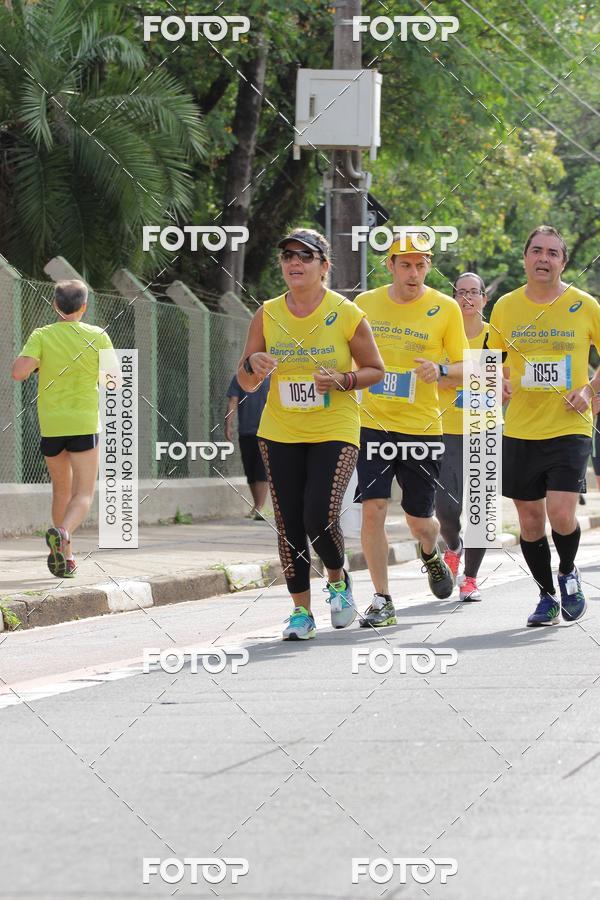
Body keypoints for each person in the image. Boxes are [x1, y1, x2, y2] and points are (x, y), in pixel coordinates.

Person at [237, 228, 384, 640]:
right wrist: (253, 365)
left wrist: (343, 379)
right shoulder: (267, 313)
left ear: (324, 266)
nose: (295, 262)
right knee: (288, 523)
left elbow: (375, 370)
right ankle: (301, 613)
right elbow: (245, 380)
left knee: (318, 514)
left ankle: (337, 578)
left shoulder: (346, 312)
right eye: (288, 256)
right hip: (280, 428)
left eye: (305, 256)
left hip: (334, 427)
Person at [489, 225, 600, 626]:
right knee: (531, 521)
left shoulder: (584, 305)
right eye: (536, 250)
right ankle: (546, 596)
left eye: (553, 253)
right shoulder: (505, 307)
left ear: (563, 263)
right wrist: (497, 381)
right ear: (525, 258)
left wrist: (589, 389)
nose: (543, 258)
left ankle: (568, 572)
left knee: (561, 513)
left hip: (570, 425)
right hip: (520, 428)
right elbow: (491, 361)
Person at [355, 234, 469, 628]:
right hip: (372, 425)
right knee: (373, 510)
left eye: (421, 265)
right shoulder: (365, 304)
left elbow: (467, 367)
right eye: (405, 264)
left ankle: (431, 551)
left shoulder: (445, 308)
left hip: (422, 428)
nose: (414, 273)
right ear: (390, 265)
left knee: (419, 521)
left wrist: (440, 370)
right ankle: (382, 599)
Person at [11, 280, 115, 578]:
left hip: (52, 424)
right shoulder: (98, 336)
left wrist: (41, 365)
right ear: (84, 306)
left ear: (55, 305)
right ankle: (64, 532)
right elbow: (113, 382)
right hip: (84, 423)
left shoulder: (42, 335)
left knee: (61, 491)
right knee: (83, 494)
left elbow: (18, 373)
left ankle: (66, 557)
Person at [436, 272, 491, 602]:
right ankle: (453, 545)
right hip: (446, 429)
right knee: (446, 507)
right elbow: (436, 378)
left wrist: (455, 376)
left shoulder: (493, 336)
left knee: (481, 510)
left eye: (473, 292)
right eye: (461, 292)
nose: (467, 298)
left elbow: (500, 378)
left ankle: (470, 578)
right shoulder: (442, 334)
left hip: (484, 429)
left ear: (484, 298)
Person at [225, 373, 270, 520]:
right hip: (246, 431)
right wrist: (228, 424)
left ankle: (260, 507)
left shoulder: (271, 377)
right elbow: (233, 401)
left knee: (261, 468)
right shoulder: (239, 377)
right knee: (250, 470)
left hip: (267, 431)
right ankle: (257, 505)